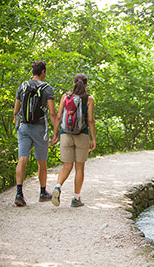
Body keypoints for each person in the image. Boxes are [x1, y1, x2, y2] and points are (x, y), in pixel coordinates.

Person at [13, 60, 58, 206]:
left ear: (33, 72)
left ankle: (19, 194)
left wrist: (17, 127)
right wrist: (55, 132)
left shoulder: (23, 86)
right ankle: (43, 192)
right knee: (41, 162)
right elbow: (52, 113)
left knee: (22, 159)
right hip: (39, 128)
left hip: (24, 127)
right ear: (43, 71)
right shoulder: (47, 88)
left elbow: (16, 111)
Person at [51, 73, 96, 207]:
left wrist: (55, 134)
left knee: (67, 166)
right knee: (79, 167)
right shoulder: (89, 99)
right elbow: (90, 120)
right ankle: (76, 199)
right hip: (82, 135)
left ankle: (58, 187)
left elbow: (58, 117)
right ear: (86, 84)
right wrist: (93, 138)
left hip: (66, 135)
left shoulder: (65, 97)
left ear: (74, 83)